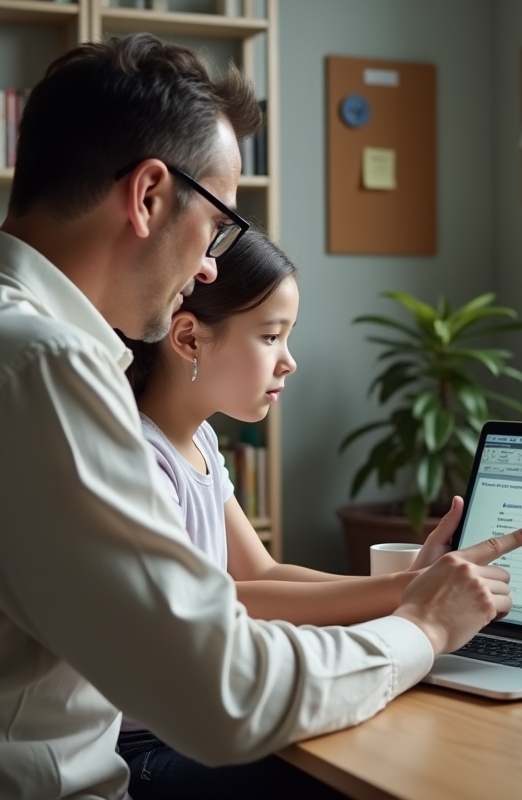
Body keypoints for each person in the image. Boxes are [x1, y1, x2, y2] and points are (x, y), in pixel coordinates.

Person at [0, 34, 522, 800]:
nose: (210, 265)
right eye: (218, 225)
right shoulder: (37, 366)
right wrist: (424, 631)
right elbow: (227, 697)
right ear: (147, 196)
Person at [116, 230, 488, 796]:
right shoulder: (142, 458)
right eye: (271, 336)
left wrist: (414, 585)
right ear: (189, 338)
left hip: (191, 730)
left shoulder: (202, 445)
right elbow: (233, 600)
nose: (289, 361)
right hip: (145, 750)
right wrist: (413, 598)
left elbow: (260, 573)